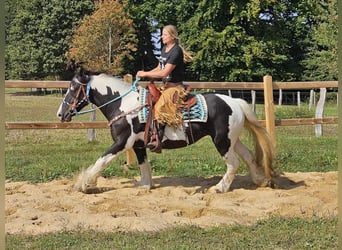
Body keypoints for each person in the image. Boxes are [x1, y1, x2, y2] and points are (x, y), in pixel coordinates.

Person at [137, 24, 192, 152]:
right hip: (165, 86)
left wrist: (145, 74)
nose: (162, 37)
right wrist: (146, 73)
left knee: (160, 107)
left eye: (165, 34)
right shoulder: (164, 49)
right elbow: (159, 68)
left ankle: (158, 139)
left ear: (172, 36)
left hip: (174, 88)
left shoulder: (176, 51)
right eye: (162, 34)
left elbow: (164, 73)